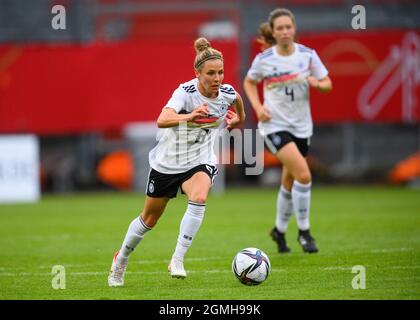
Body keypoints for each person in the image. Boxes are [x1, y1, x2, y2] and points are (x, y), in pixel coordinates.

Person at [108, 37, 246, 286]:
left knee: (200, 197)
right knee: (149, 220)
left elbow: (237, 100)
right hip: (168, 164)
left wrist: (238, 119)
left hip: (200, 160)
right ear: (197, 73)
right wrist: (190, 115)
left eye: (221, 72)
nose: (217, 78)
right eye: (211, 73)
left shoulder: (226, 93)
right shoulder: (185, 92)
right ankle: (121, 259)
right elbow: (162, 119)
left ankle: (178, 259)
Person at [243, 8, 332, 254]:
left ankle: (279, 231)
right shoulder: (265, 59)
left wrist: (317, 83)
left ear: (294, 29)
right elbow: (249, 82)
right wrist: (258, 107)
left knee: (289, 179)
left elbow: (328, 83)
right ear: (273, 32)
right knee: (303, 175)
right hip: (274, 126)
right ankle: (304, 232)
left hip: (302, 127)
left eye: (288, 27)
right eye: (279, 28)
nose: (284, 32)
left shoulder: (307, 56)